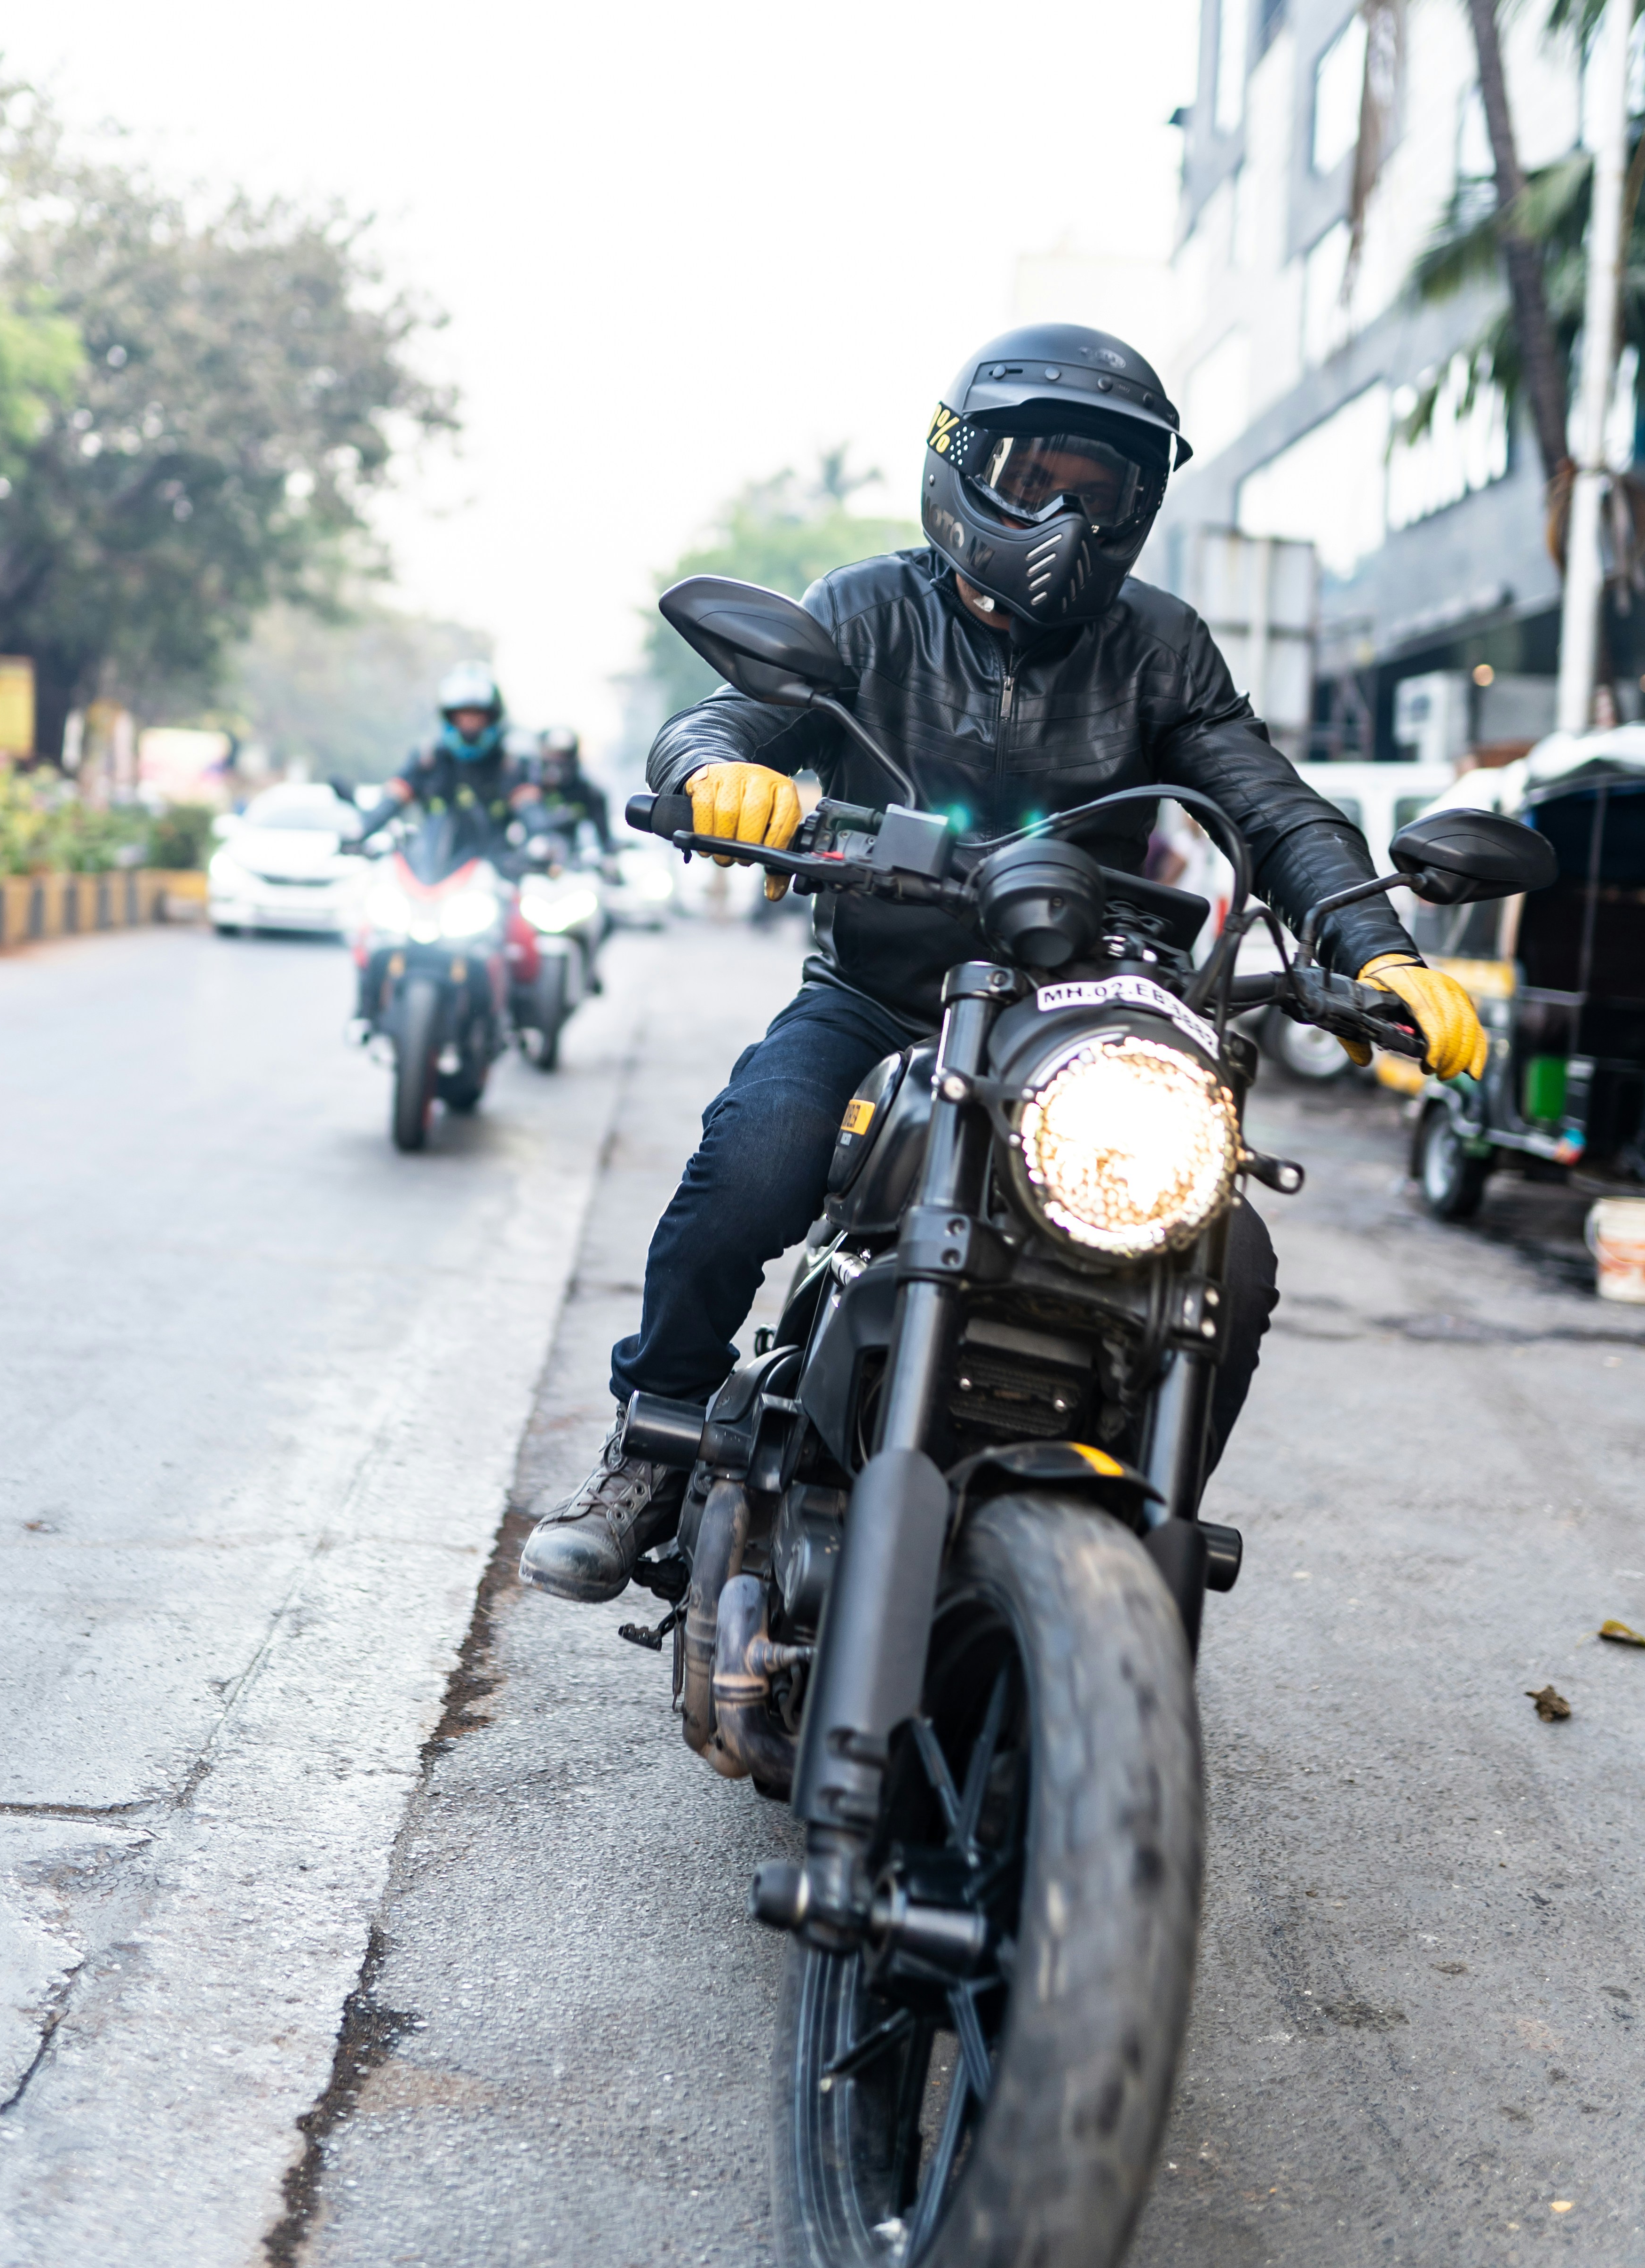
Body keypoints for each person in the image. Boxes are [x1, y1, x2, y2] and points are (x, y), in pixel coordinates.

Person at [519, 322, 1487, 1604]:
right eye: (1037, 481)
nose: (1064, 521)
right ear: (962, 467)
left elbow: (1279, 811)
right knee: (755, 1153)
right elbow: (725, 720)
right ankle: (654, 1437)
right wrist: (717, 772)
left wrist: (1377, 947)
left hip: (1087, 1022)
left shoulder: (1162, 643)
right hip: (879, 998)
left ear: (1142, 507)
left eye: (1100, 495)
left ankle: (1145, 1526)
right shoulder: (866, 607)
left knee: (1229, 1254)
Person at [360, 663, 536, 857]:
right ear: (450, 718)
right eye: (463, 717)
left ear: (492, 717)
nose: (469, 725)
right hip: (430, 868)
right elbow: (392, 800)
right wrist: (361, 829)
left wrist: (543, 841)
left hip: (493, 869)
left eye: (477, 716)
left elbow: (533, 814)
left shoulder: (509, 764)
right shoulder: (428, 760)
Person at [532, 725, 612, 847]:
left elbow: (604, 838)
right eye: (553, 756)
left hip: (574, 854)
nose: (558, 762)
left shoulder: (588, 792)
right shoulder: (531, 788)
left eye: (563, 756)